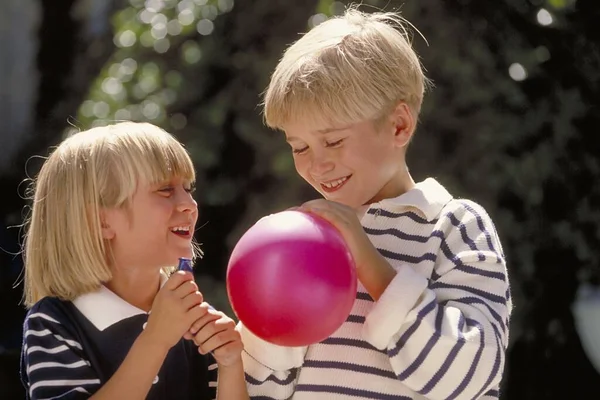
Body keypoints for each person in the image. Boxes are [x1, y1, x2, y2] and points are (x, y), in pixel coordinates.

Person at [239, 6, 512, 400]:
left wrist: (367, 261)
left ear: (399, 125)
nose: (317, 163)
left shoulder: (455, 226)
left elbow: (470, 376)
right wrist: (256, 325)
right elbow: (263, 389)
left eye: (333, 141)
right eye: (299, 147)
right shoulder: (308, 238)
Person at [20, 122, 249, 400]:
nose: (190, 204)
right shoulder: (54, 323)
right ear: (100, 220)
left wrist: (230, 364)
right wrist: (156, 339)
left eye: (188, 188)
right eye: (165, 190)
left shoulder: (194, 317)